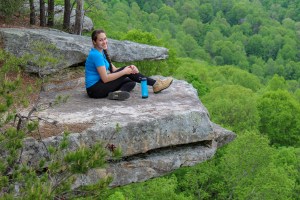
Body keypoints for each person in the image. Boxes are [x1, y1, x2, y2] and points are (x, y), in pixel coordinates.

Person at [85, 29, 173, 100]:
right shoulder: (96, 55)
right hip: (95, 89)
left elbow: (114, 70)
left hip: (98, 87)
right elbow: (105, 79)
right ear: (94, 42)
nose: (104, 42)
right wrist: (125, 71)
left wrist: (129, 68)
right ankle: (156, 84)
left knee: (131, 82)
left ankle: (117, 93)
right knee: (126, 72)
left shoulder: (101, 52)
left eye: (105, 38)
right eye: (100, 40)